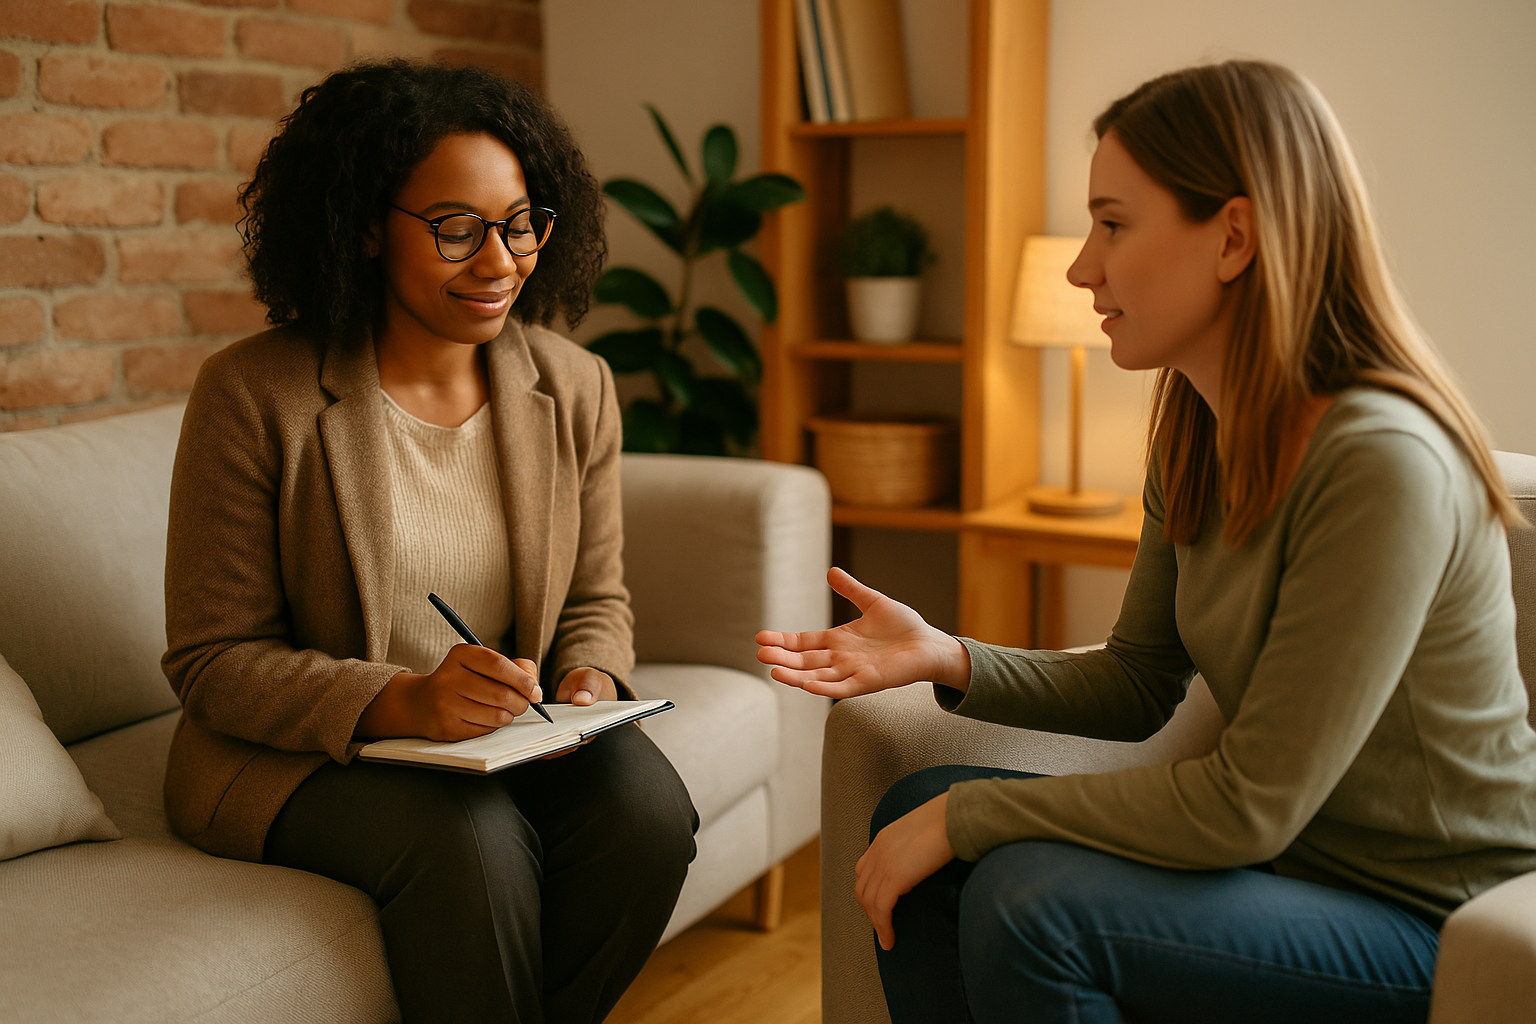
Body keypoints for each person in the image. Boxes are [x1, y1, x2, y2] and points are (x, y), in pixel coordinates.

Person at [757, 60, 1536, 1024]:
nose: (1085, 266)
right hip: (1288, 869)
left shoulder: (1384, 462)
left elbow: (1252, 802)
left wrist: (972, 818)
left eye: (1113, 223)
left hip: (1436, 925)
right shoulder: (1198, 432)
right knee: (919, 813)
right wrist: (946, 656)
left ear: (1234, 237)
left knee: (1026, 900)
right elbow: (1138, 683)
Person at [161, 59, 697, 1024]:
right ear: (366, 226)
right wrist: (404, 698)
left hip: (501, 739)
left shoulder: (574, 388)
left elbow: (596, 599)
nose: (500, 261)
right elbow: (212, 662)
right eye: (457, 229)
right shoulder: (253, 395)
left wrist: (590, 679)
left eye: (522, 222)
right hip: (303, 756)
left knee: (648, 815)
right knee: (469, 840)